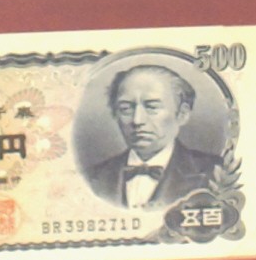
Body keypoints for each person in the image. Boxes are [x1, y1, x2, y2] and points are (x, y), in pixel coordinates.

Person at [82, 62, 222, 211]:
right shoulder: (92, 177)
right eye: (125, 108)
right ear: (116, 114)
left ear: (182, 114)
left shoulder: (216, 173)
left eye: (152, 107)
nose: (137, 120)